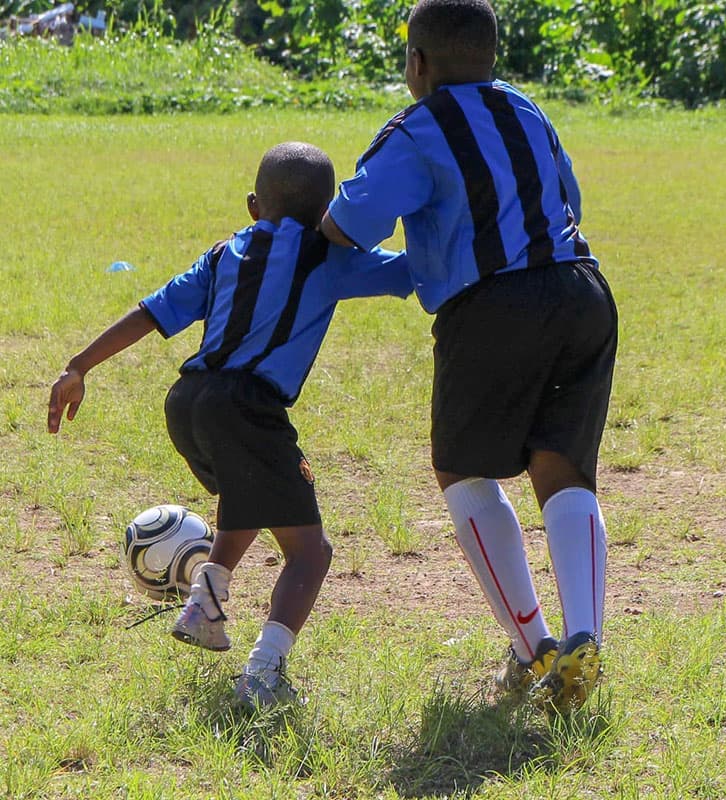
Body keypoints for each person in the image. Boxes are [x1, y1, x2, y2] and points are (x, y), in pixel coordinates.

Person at [320, 0, 617, 713]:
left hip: (493, 308)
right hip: (583, 292)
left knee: (462, 468)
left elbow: (347, 225)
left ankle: (533, 647)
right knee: (562, 466)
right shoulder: (527, 110)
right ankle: (584, 638)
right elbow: (569, 202)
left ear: (417, 63)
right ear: (491, 55)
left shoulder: (416, 130)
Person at [48, 142, 412, 711]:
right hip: (248, 409)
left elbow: (150, 312)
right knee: (310, 552)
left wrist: (78, 366)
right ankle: (264, 676)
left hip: (187, 403)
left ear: (252, 206)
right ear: (326, 214)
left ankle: (205, 605)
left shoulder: (223, 255)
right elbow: (411, 272)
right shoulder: (329, 256)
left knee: (249, 496)